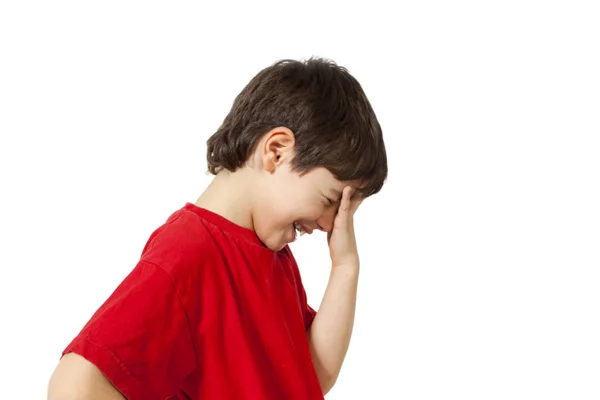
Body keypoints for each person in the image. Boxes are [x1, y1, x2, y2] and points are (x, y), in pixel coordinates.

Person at [47, 57, 388, 399]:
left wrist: (345, 267)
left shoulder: (274, 257)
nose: (331, 224)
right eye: (330, 200)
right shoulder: (189, 253)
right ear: (277, 151)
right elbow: (76, 384)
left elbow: (313, 376)